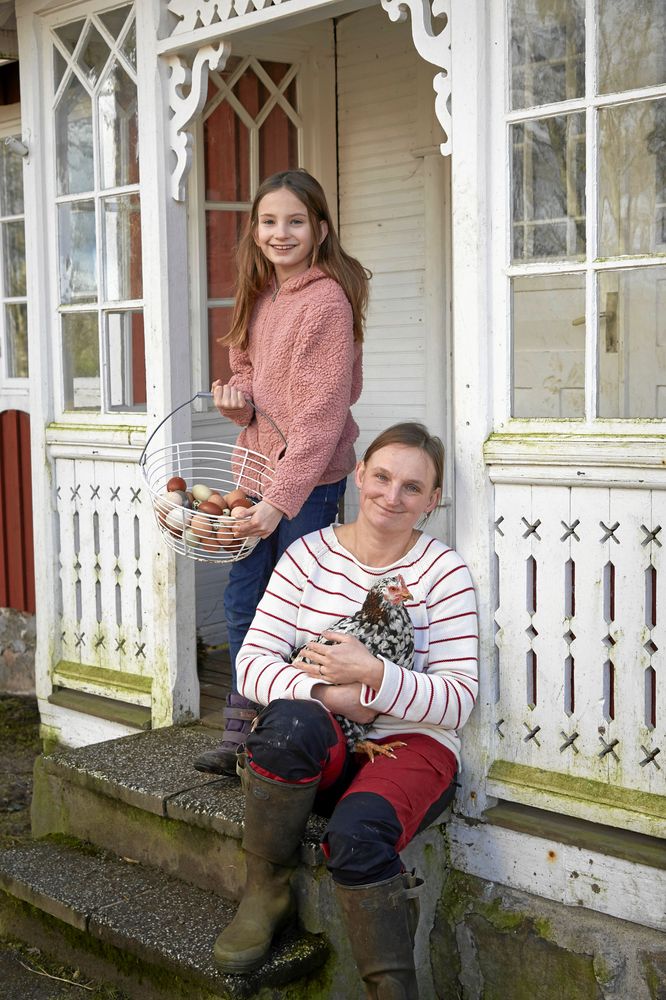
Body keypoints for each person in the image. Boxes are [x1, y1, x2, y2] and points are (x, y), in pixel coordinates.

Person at [212, 423, 478, 997]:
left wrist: (375, 677)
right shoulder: (308, 553)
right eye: (382, 477)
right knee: (288, 725)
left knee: (357, 837)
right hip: (324, 741)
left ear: (432, 501)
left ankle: (392, 989)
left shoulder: (444, 572)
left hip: (410, 743)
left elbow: (458, 698)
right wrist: (332, 696)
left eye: (413, 487)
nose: (392, 495)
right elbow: (251, 663)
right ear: (359, 475)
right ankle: (266, 891)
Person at [194, 169, 370, 776]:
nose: (280, 232)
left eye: (295, 220)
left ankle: (291, 738)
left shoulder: (325, 302)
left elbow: (321, 419)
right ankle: (242, 729)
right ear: (255, 230)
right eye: (269, 221)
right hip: (257, 475)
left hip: (309, 486)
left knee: (300, 613)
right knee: (245, 599)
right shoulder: (264, 295)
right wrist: (235, 399)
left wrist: (279, 502)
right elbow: (246, 370)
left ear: (320, 229)